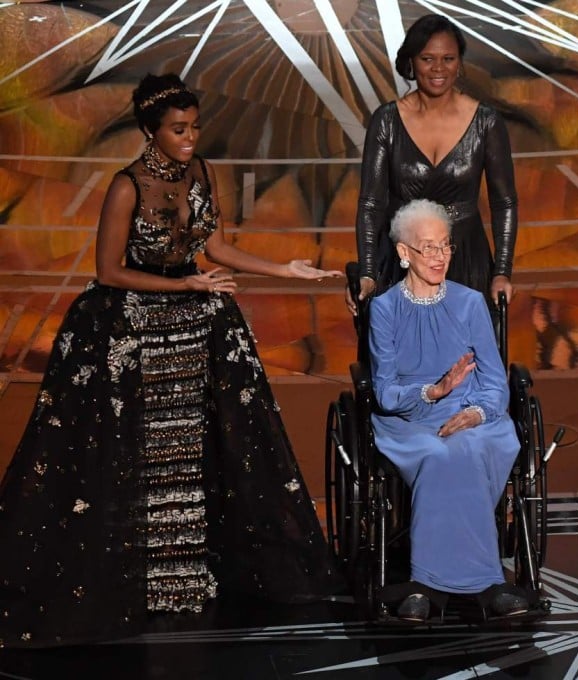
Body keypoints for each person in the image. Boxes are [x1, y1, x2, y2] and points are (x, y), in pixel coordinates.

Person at [0, 73, 341, 648]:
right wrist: (186, 288)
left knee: (198, 450)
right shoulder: (126, 186)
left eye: (195, 126)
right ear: (150, 132)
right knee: (134, 454)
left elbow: (217, 248)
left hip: (196, 318)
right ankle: (140, 581)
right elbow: (108, 272)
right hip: (132, 323)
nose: (190, 138)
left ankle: (185, 577)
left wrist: (286, 269)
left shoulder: (203, 171)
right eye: (179, 130)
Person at [367, 199, 529, 622]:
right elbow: (385, 392)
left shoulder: (471, 303)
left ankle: (482, 581)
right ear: (404, 253)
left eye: (445, 246)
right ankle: (433, 581)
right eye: (428, 248)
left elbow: (495, 382)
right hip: (412, 419)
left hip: (475, 414)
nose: (439, 257)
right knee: (440, 453)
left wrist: (477, 413)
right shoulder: (384, 310)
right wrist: (434, 392)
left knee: (471, 448)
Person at [349, 13, 517, 315]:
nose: (438, 68)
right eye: (428, 58)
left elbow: (503, 202)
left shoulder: (486, 122)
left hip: (466, 259)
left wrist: (502, 271)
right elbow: (371, 203)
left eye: (448, 58)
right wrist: (368, 271)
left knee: (468, 356)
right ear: (412, 62)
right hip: (402, 261)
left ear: (460, 62)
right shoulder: (386, 120)